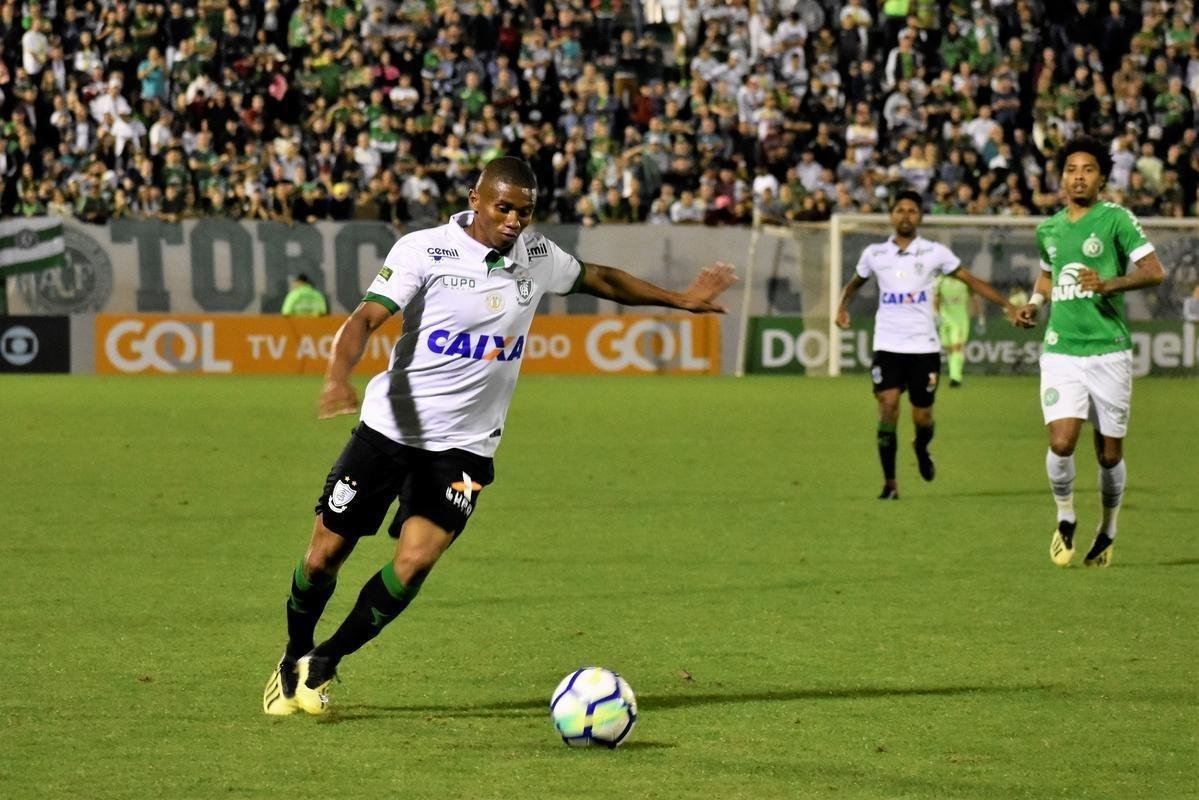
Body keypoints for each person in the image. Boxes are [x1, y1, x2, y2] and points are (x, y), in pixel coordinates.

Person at [263, 158, 736, 716]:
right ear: (476, 199)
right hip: (389, 430)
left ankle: (325, 659)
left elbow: (600, 278)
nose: (514, 221)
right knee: (324, 557)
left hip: (466, 446)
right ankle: (293, 653)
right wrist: (337, 378)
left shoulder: (537, 256)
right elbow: (365, 318)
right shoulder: (425, 250)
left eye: (524, 212)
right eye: (504, 208)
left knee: (414, 562)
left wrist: (680, 300)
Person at [1014, 136, 1165, 569]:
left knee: (1109, 454)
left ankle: (1108, 528)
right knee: (1061, 442)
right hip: (1061, 349)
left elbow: (1154, 271)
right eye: (1071, 170)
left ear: (1101, 179)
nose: (1078, 177)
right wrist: (1035, 303)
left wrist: (1109, 284)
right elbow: (1048, 275)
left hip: (1108, 351)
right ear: (1061, 178)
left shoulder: (1116, 219)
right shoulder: (1049, 229)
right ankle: (1065, 517)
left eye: (1088, 170)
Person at [836, 190, 1019, 500]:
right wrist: (842, 306)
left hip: (924, 347)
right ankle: (890, 483)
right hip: (888, 345)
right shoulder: (874, 254)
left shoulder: (935, 253)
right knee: (888, 406)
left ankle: (921, 447)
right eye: (900, 210)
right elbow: (854, 283)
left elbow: (971, 280)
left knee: (923, 418)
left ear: (920, 216)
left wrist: (1007, 305)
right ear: (891, 216)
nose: (906, 215)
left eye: (912, 210)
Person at [934, 271, 984, 387]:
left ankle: (955, 377)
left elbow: (975, 298)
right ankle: (954, 374)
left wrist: (980, 316)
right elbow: (935, 298)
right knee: (949, 349)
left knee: (957, 347)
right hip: (945, 320)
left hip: (960, 320)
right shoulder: (940, 280)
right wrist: (936, 315)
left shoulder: (965, 279)